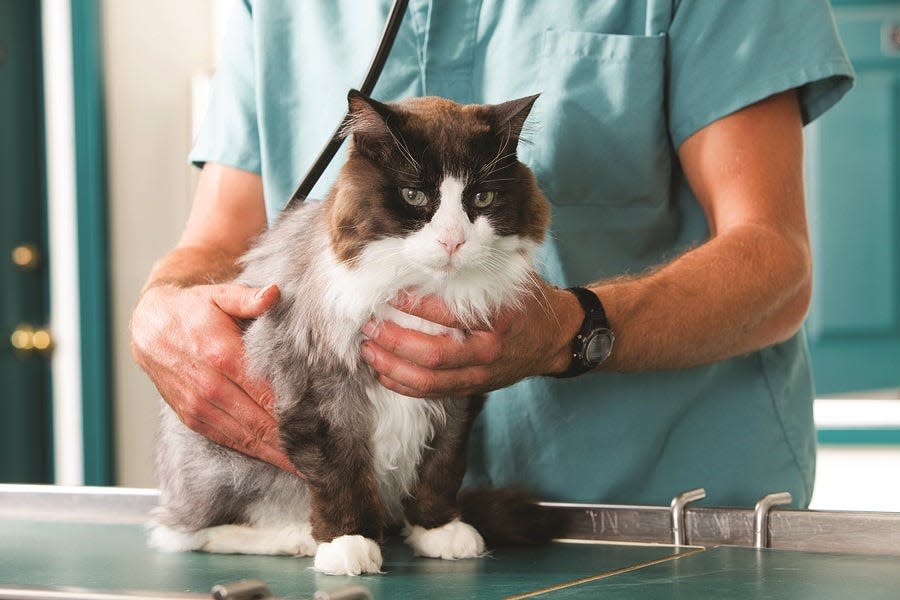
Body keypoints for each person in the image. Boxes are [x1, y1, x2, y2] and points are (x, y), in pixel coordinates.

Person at [131, 1, 854, 507]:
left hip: (661, 517)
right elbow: (218, 245)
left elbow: (776, 263)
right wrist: (161, 310)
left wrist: (568, 331)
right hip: (385, 532)